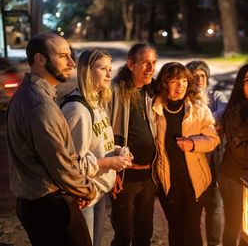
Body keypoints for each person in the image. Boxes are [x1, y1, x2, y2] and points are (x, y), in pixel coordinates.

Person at [6, 32, 96, 246]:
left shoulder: (29, 94)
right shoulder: (40, 106)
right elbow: (61, 164)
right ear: (40, 59)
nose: (71, 63)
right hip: (50, 207)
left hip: (40, 204)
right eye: (63, 56)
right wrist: (87, 189)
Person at [61, 49, 132, 246]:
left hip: (98, 191)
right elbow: (73, 164)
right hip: (83, 196)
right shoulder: (78, 110)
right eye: (102, 68)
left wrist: (117, 151)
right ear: (86, 71)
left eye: (110, 68)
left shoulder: (97, 103)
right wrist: (110, 162)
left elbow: (97, 143)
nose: (109, 74)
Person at [152, 62, 220, 246]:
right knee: (175, 227)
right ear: (164, 83)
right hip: (168, 182)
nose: (180, 85)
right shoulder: (154, 108)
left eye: (183, 80)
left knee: (191, 228)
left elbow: (213, 139)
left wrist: (192, 143)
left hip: (194, 182)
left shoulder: (198, 108)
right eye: (175, 81)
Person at [108, 43, 158, 246]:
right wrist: (113, 173)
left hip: (148, 177)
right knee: (123, 235)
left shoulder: (151, 91)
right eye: (145, 63)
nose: (151, 68)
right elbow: (106, 134)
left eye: (153, 63)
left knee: (144, 233)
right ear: (130, 64)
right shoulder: (116, 91)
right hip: (125, 178)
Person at [218, 64, 248, 246]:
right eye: (247, 80)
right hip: (234, 176)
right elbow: (241, 152)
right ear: (240, 84)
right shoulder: (236, 112)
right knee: (235, 223)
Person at [186, 60, 227, 246]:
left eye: (202, 76)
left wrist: (202, 123)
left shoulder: (215, 96)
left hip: (214, 161)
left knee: (215, 206)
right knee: (193, 209)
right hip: (191, 159)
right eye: (194, 76)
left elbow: (225, 113)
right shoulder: (185, 99)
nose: (199, 79)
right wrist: (209, 126)